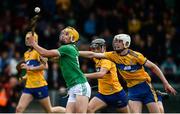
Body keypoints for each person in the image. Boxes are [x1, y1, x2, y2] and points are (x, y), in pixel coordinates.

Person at [79, 34, 177, 113]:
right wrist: (74, 52)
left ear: (126, 43)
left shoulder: (136, 56)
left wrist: (166, 83)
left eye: (119, 41)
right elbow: (92, 54)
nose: (116, 44)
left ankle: (159, 98)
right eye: (115, 41)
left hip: (145, 87)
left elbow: (154, 67)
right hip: (132, 90)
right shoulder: (112, 55)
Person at [27, 27, 91, 113]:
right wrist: (45, 58)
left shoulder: (67, 48)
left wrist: (34, 44)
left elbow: (45, 53)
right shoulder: (67, 50)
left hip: (80, 85)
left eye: (67, 34)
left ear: (72, 38)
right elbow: (51, 58)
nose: (63, 35)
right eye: (63, 33)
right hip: (72, 87)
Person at [16, 32, 65, 113]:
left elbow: (45, 66)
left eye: (29, 38)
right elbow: (29, 72)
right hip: (29, 86)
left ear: (34, 40)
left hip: (39, 86)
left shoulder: (38, 51)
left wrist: (30, 68)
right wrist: (24, 77)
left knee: (50, 111)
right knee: (19, 109)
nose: (27, 40)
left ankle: (70, 111)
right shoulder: (26, 54)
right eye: (26, 38)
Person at [85, 38, 130, 113]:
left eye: (98, 48)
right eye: (93, 48)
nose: (95, 50)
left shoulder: (107, 59)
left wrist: (84, 75)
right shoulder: (96, 58)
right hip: (102, 94)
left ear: (104, 48)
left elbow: (101, 74)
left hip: (116, 94)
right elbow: (89, 54)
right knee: (89, 110)